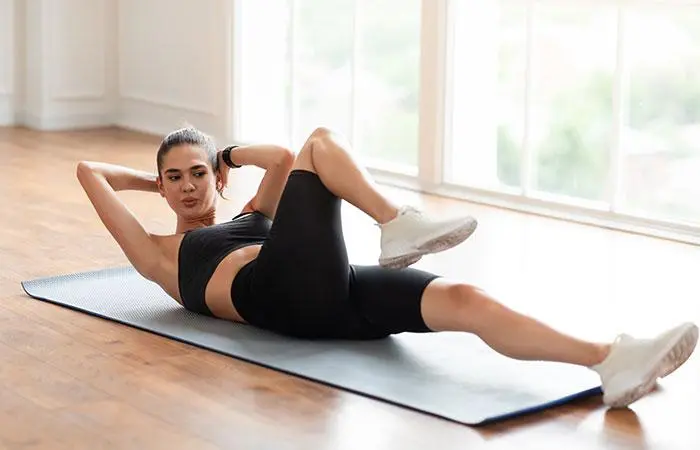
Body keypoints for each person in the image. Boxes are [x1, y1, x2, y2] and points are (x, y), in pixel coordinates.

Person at [76, 126, 698, 409]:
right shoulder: (157, 253)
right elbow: (89, 172)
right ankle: (395, 223)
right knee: (322, 143)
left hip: (328, 290)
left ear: (217, 176)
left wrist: (229, 151)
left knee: (466, 298)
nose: (187, 187)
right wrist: (152, 183)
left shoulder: (256, 213)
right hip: (277, 297)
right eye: (174, 179)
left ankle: (609, 361)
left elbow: (281, 157)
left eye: (199, 172)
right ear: (161, 187)